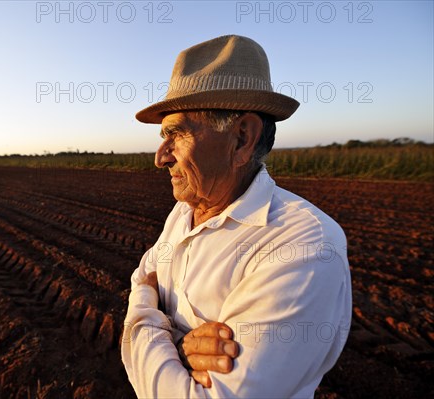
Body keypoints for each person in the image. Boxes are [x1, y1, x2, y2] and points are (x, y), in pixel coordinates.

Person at [121, 34, 352, 398]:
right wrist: (179, 347)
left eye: (177, 134)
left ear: (242, 137)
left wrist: (145, 321)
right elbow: (144, 275)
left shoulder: (304, 244)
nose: (160, 156)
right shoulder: (184, 212)